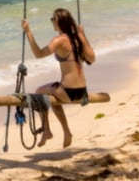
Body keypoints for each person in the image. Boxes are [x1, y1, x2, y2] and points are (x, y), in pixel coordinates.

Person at [21, 8, 96, 148]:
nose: (52, 22)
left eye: (53, 19)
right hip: (82, 91)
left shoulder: (59, 40)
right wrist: (83, 34)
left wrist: (28, 32)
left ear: (59, 22)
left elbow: (38, 54)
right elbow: (92, 58)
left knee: (39, 92)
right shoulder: (78, 37)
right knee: (54, 98)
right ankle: (66, 132)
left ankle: (47, 130)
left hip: (68, 91)